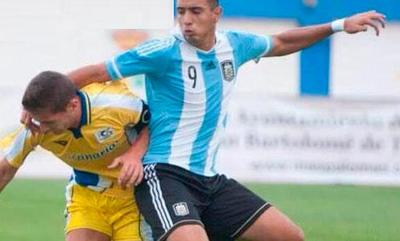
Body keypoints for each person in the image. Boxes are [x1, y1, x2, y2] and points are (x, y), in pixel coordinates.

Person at [23, 0, 386, 240]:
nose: (186, 20)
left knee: (289, 236)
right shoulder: (163, 51)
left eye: (196, 11)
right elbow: (94, 72)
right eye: (181, 12)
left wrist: (339, 25)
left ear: (217, 13)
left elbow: (281, 41)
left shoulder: (235, 45)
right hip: (162, 174)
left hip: (210, 181)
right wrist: (38, 104)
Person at [1, 71, 150, 241]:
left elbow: (159, 123)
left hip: (134, 196)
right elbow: (4, 170)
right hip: (87, 194)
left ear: (72, 106)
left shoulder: (115, 104)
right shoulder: (34, 128)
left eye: (49, 122)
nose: (42, 129)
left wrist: (134, 154)